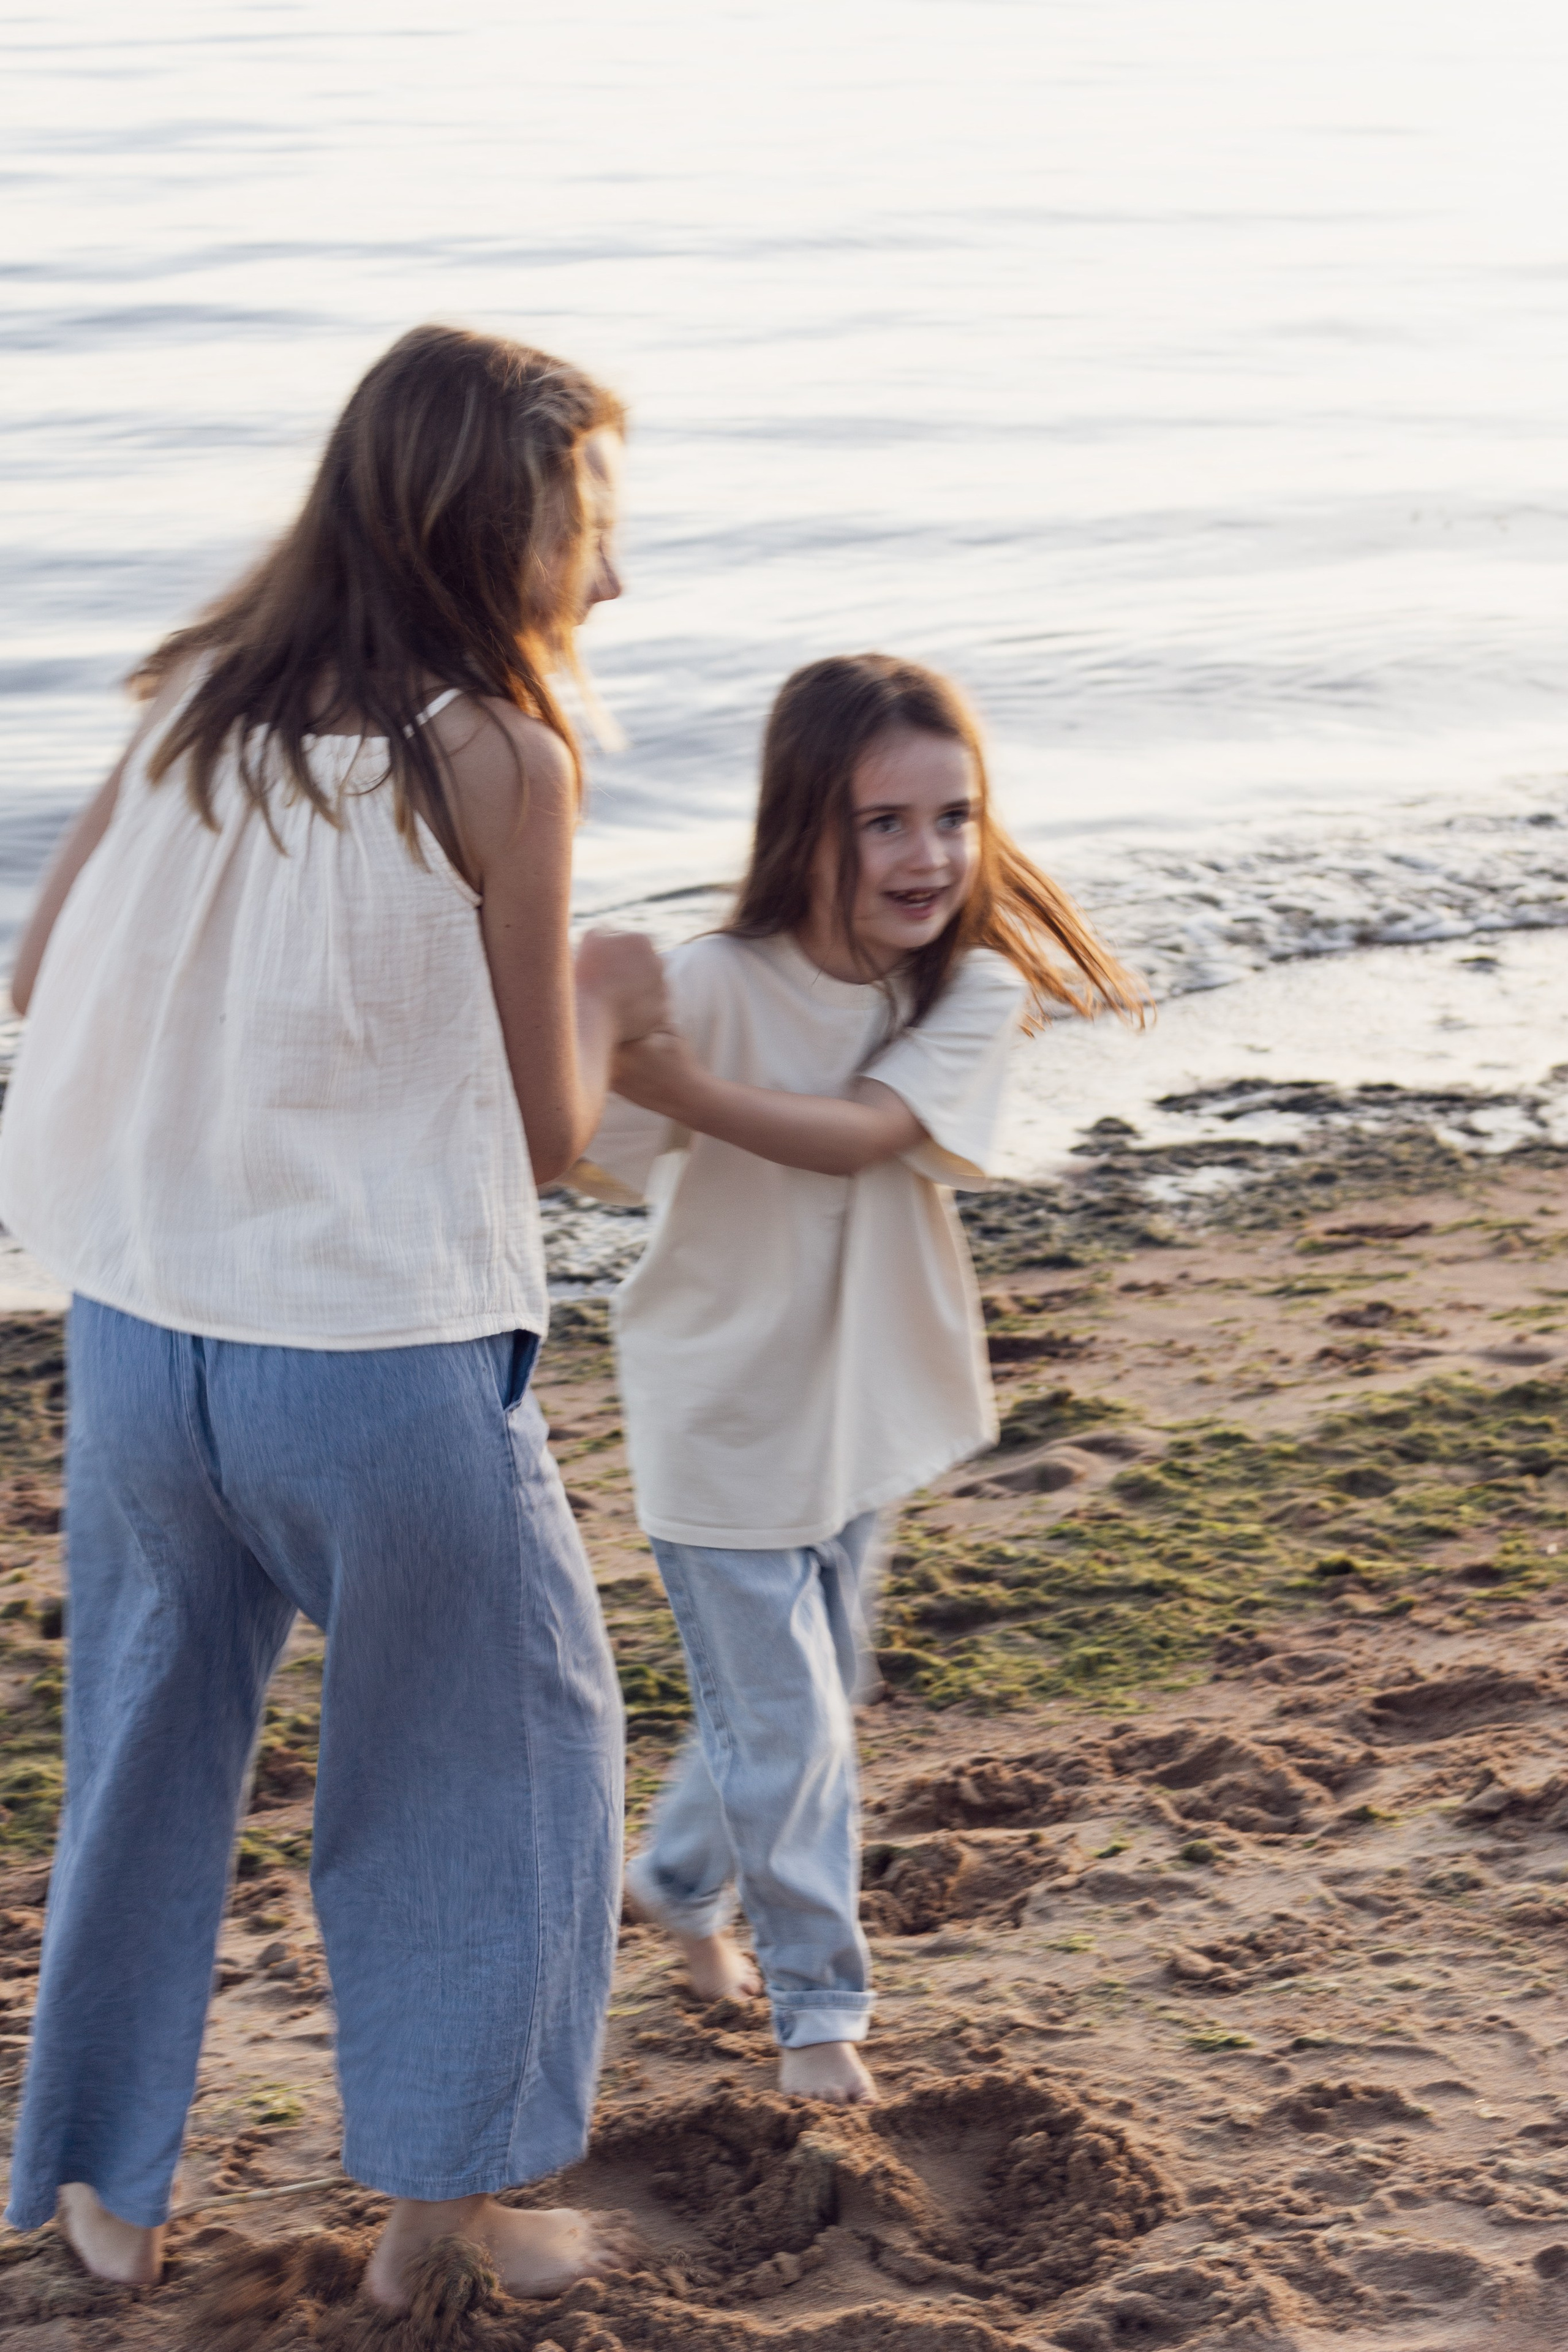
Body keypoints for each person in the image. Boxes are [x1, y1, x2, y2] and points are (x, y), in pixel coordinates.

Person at [0, 324, 663, 2307]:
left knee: (144, 1748)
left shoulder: (196, 699)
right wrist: (619, 1000)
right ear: (489, 526)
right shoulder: (497, 756)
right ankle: (445, 2221)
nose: (613, 576)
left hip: (136, 1346)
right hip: (368, 1362)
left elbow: (46, 975)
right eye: (590, 524)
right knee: (506, 1752)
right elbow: (549, 1132)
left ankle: (100, 2196)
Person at [573, 652, 1147, 2103]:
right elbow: (575, 1150)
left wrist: (667, 1083)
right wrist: (591, 1019)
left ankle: (676, 1888)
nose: (926, 854)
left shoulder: (964, 987)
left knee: (804, 1701)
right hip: (718, 1411)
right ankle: (820, 2017)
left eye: (951, 817)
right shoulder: (706, 985)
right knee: (788, 1719)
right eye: (882, 821)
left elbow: (855, 1135)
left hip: (866, 1401)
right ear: (802, 823)